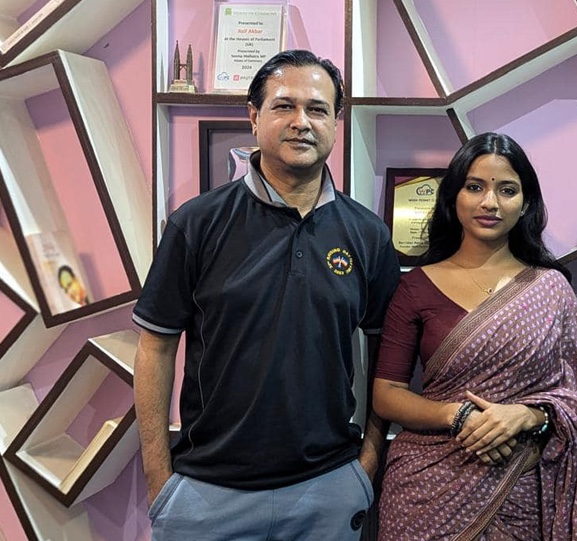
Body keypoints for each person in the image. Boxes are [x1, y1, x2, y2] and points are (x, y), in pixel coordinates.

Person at [133, 49, 400, 541]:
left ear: (335, 122)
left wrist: (369, 458)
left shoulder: (367, 234)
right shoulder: (197, 223)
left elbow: (388, 354)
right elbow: (156, 347)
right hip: (207, 493)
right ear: (254, 117)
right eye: (284, 106)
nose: (302, 122)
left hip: (328, 488)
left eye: (317, 109)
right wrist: (158, 478)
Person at [372, 132, 577, 540]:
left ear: (525, 203)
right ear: (453, 197)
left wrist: (528, 416)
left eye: (507, 190)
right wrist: (458, 416)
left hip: (524, 484)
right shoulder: (416, 286)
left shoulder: (550, 288)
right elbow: (387, 394)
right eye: (475, 187)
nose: (489, 203)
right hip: (426, 490)